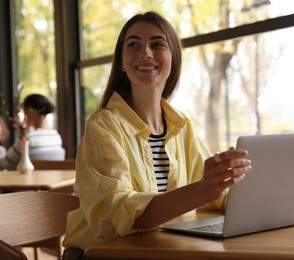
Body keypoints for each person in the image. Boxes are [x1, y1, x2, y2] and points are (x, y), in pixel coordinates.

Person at [61, 11, 252, 259]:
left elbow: (216, 192)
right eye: (134, 45)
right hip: (99, 254)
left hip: (157, 249)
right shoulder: (103, 126)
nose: (146, 52)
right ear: (122, 61)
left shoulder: (182, 126)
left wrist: (252, 198)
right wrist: (203, 190)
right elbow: (117, 214)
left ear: (173, 58)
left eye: (157, 44)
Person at [0, 94, 65, 170]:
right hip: (54, 180)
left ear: (30, 111)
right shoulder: (57, 137)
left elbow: (3, 164)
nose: (24, 117)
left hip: (28, 181)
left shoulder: (27, 139)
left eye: (24, 112)